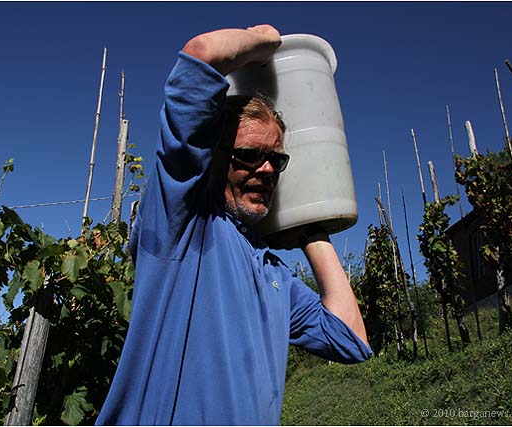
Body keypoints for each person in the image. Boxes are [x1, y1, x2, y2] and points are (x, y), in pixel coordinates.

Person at [97, 24, 372, 426]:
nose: (266, 169)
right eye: (248, 155)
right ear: (214, 159)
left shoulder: (274, 275)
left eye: (276, 159)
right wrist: (266, 37)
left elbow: (351, 340)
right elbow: (202, 53)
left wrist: (312, 230)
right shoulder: (185, 224)